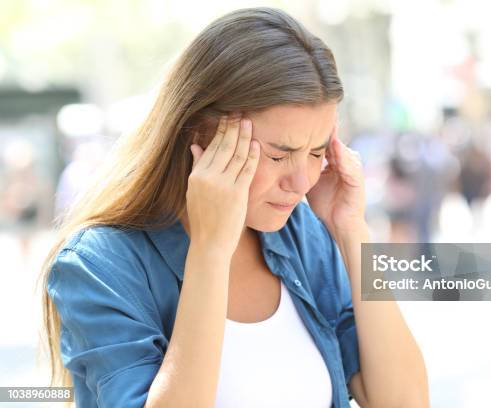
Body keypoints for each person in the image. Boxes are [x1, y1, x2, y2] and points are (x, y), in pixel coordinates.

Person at [39, 7, 428, 408]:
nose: (302, 182)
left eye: (315, 153)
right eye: (279, 156)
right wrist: (210, 251)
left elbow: (405, 401)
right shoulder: (99, 266)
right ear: (200, 134)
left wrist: (352, 232)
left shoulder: (303, 235)